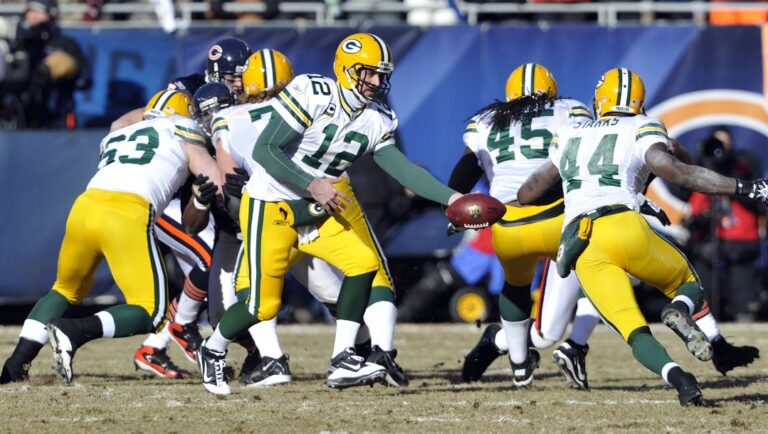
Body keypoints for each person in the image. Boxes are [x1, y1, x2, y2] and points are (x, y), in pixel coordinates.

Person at [195, 32, 467, 396]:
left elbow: (403, 170)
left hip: (313, 208)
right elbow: (266, 151)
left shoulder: (377, 117)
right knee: (262, 305)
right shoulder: (312, 91)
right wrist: (315, 185)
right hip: (270, 205)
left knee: (364, 263)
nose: (375, 81)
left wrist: (451, 198)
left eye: (380, 74)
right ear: (344, 68)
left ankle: (342, 358)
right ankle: (211, 349)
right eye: (367, 73)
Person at [517, 67, 768, 405]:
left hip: (582, 242)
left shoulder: (570, 132)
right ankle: (678, 309)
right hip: (623, 226)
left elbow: (527, 193)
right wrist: (746, 187)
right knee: (687, 285)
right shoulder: (639, 125)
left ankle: (680, 380)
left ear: (600, 99)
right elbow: (679, 172)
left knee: (633, 331)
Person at [0, 90, 223, 384]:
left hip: (85, 206)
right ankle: (76, 331)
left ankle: (15, 365)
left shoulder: (118, 134)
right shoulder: (185, 134)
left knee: (63, 289)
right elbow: (219, 189)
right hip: (127, 212)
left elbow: (121, 120)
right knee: (152, 312)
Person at [449, 63, 593, 387]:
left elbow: (463, 173)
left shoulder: (485, 122)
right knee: (548, 332)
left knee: (517, 287)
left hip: (507, 221)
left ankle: (518, 361)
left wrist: (453, 207)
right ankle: (570, 346)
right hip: (559, 218)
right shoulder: (570, 111)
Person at [687, 126, 764, 321]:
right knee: (704, 290)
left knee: (743, 294)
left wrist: (733, 184)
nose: (721, 149)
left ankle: (745, 319)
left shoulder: (744, 165)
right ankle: (706, 326)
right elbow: (681, 190)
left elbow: (757, 199)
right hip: (707, 241)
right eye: (717, 143)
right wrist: (701, 158)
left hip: (741, 240)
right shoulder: (702, 167)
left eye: (725, 144)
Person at [10, 0, 88, 128]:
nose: (33, 15)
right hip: (20, 117)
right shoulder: (18, 44)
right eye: (30, 11)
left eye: (38, 11)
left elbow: (85, 79)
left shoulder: (65, 44)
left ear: (51, 14)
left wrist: (66, 68)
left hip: (55, 119)